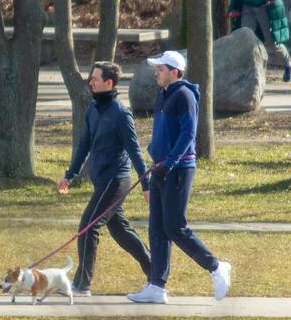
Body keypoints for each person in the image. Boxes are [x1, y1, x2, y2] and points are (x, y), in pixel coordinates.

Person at [126, 51, 231, 304]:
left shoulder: (184, 96)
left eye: (160, 69)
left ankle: (216, 267)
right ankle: (157, 285)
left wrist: (171, 162)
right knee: (157, 229)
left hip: (179, 169)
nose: (156, 73)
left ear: (174, 72)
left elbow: (188, 134)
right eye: (157, 69)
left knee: (175, 227)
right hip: (162, 167)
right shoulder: (164, 95)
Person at [57, 62, 151, 296]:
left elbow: (135, 150)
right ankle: (156, 273)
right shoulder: (92, 109)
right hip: (101, 181)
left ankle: (81, 285)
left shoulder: (120, 113)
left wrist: (146, 184)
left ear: (109, 83)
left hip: (116, 180)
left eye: (95, 79)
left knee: (88, 228)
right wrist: (70, 174)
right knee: (121, 231)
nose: (91, 82)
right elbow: (84, 145)